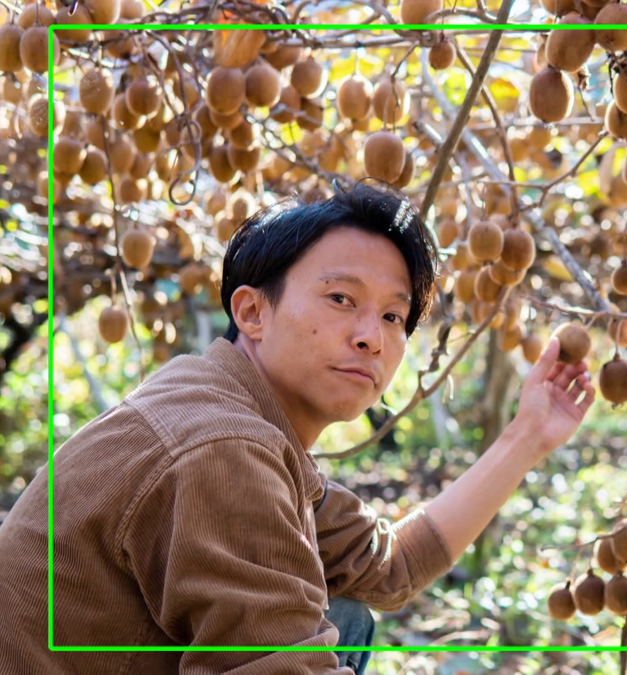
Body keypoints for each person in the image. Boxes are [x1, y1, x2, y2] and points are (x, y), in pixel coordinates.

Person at [0, 184, 596, 674]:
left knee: (346, 615)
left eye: (393, 315)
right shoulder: (222, 446)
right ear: (253, 312)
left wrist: (529, 434)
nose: (372, 335)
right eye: (341, 298)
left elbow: (387, 567)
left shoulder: (232, 409)